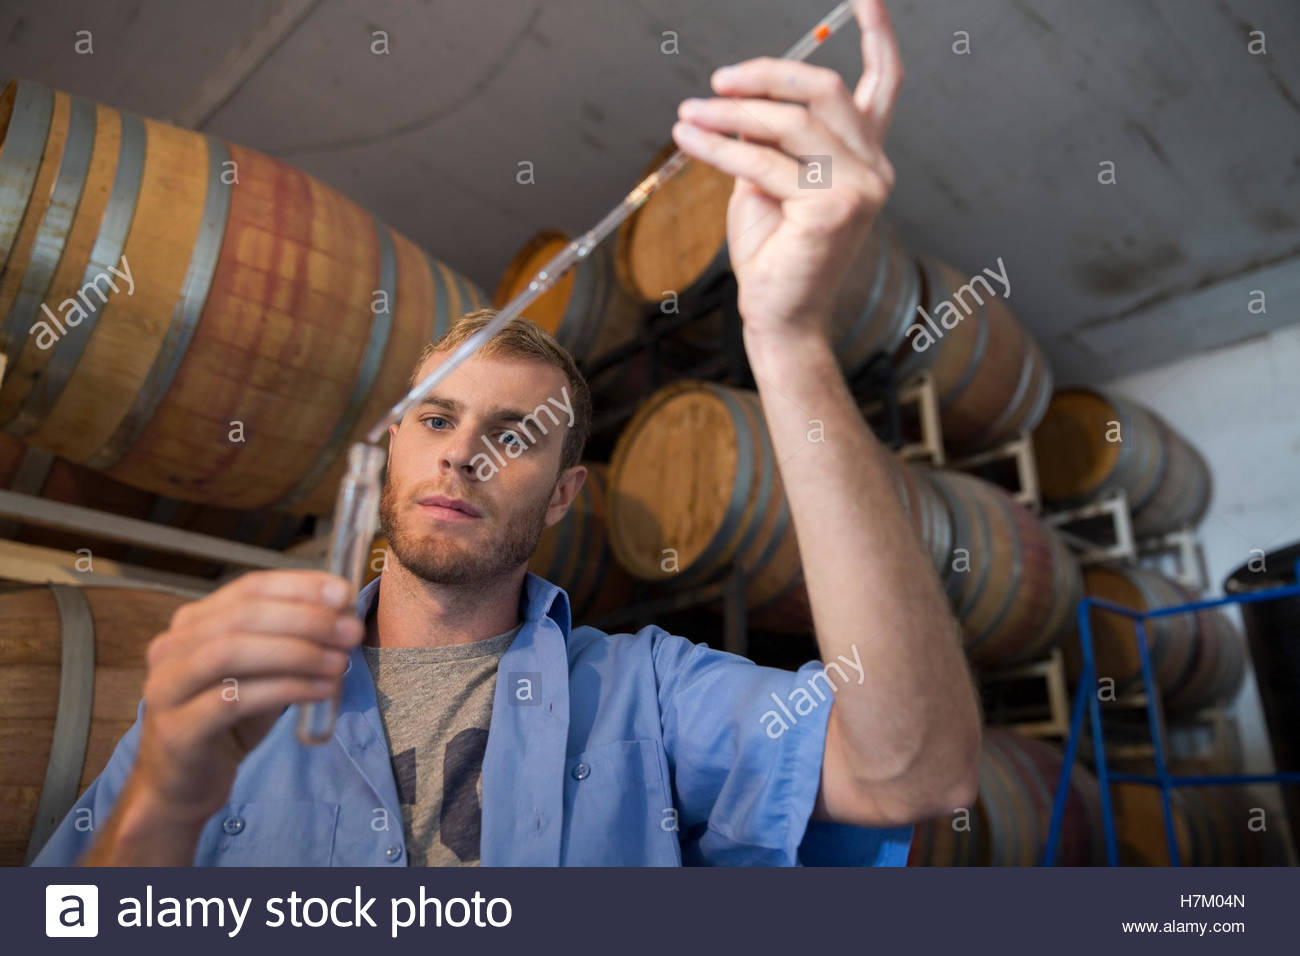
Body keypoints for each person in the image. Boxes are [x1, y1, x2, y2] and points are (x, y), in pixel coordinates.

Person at [32, 0, 980, 867]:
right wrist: (163, 796)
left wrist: (789, 336)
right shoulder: (238, 694)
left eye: (516, 434)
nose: (463, 451)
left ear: (565, 492)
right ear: (392, 445)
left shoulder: (644, 697)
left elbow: (912, 774)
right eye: (436, 418)